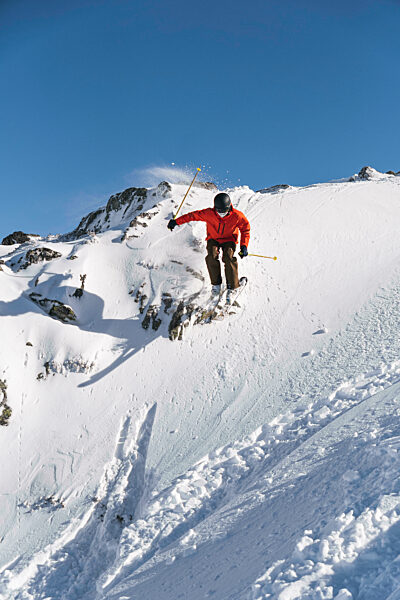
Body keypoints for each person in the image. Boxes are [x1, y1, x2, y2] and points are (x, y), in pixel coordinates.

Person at [167, 192, 250, 300]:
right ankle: (216, 285)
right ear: (215, 208)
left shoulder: (237, 216)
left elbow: (245, 229)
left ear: (229, 207)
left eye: (224, 211)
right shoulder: (209, 213)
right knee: (211, 256)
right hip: (213, 238)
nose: (221, 214)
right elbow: (192, 216)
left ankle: (233, 287)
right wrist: (176, 222)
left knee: (228, 258)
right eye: (219, 211)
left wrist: (244, 245)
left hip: (229, 239)